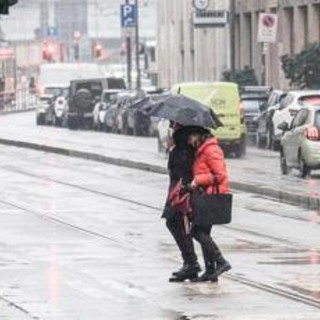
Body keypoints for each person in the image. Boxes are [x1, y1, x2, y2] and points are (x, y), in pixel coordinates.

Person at [187, 127, 232, 282]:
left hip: (212, 196)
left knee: (197, 231)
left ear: (200, 135)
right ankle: (210, 270)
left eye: (192, 136)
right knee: (203, 232)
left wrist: (198, 180)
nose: (190, 140)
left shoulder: (211, 149)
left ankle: (221, 261)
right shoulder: (202, 150)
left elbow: (220, 175)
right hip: (205, 195)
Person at [163, 123, 201, 282]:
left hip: (182, 192)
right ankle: (190, 263)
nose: (171, 126)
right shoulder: (180, 143)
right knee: (177, 223)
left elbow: (182, 168)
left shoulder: (183, 144)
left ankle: (191, 263)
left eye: (173, 123)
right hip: (177, 191)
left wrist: (173, 148)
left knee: (176, 223)